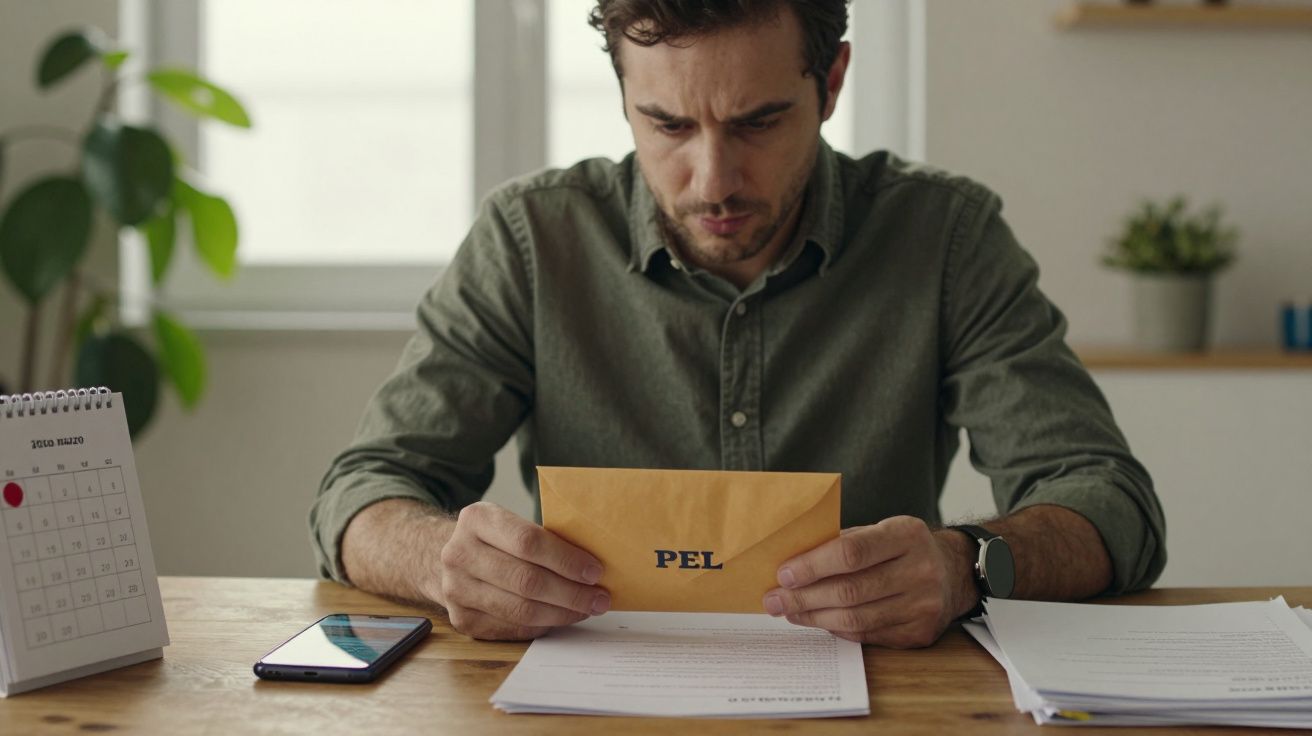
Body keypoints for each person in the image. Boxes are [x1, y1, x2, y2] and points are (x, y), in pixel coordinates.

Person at [310, 0, 1166, 648]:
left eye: (759, 122)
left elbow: (1110, 502)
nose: (713, 179)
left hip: (885, 698)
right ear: (623, 98)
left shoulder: (944, 238)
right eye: (668, 124)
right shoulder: (532, 239)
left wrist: (965, 566)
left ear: (830, 83)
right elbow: (363, 492)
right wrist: (438, 558)